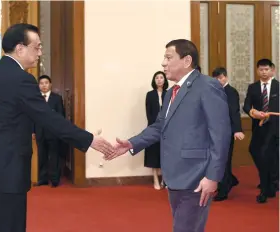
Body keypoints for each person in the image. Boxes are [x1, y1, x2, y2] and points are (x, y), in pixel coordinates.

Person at [0, 23, 113, 232]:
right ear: (20, 48)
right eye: (37, 47)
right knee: (9, 225)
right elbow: (49, 118)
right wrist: (89, 140)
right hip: (8, 169)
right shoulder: (22, 80)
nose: (40, 52)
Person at [105, 39, 231, 232]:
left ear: (187, 60)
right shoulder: (171, 91)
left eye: (168, 57)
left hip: (196, 176)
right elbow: (159, 127)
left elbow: (221, 135)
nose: (163, 63)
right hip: (175, 175)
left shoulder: (207, 86)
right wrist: (131, 144)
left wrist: (212, 177)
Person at [243, 59, 279, 203]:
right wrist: (253, 112)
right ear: (257, 71)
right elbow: (246, 106)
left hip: (275, 129)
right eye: (261, 70)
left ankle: (266, 188)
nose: (264, 72)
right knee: (255, 152)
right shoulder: (253, 87)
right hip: (259, 128)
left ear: (272, 70)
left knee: (271, 158)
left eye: (266, 69)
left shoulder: (278, 87)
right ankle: (270, 182)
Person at [212, 67, 244, 201]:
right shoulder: (213, 91)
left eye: (220, 78)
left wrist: (237, 130)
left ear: (225, 77)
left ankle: (223, 190)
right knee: (217, 159)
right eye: (216, 78)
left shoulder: (231, 92)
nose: (218, 80)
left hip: (226, 131)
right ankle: (230, 179)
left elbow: (234, 112)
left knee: (224, 160)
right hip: (214, 131)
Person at [34, 75, 65, 187]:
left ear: (50, 84)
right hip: (40, 131)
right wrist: (33, 131)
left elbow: (61, 115)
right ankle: (43, 179)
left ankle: (55, 179)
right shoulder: (36, 98)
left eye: (46, 83)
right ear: (38, 85)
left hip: (53, 132)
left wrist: (59, 130)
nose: (44, 85)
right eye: (41, 83)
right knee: (42, 156)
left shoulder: (57, 98)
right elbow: (33, 116)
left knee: (54, 156)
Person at [145, 71, 168, 190]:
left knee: (165, 153)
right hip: (154, 128)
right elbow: (148, 113)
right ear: (154, 81)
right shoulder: (150, 95)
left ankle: (165, 179)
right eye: (157, 78)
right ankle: (155, 179)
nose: (159, 80)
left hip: (167, 128)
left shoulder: (168, 94)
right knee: (154, 153)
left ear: (165, 80)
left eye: (161, 77)